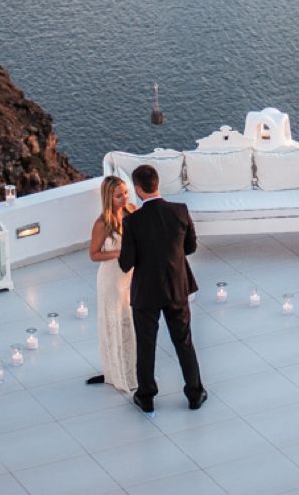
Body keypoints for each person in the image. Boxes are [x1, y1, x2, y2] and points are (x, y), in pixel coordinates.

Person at [119, 163, 207, 415]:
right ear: (157, 184)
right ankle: (194, 393)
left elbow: (126, 263)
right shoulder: (180, 211)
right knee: (184, 341)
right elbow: (190, 247)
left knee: (146, 344)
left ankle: (146, 396)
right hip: (176, 287)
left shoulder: (133, 222)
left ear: (138, 189)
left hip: (146, 292)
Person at [86, 175, 137, 393]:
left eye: (125, 193)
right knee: (115, 323)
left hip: (131, 276)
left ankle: (132, 369)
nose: (124, 198)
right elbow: (94, 255)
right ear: (109, 198)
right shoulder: (102, 224)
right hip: (111, 279)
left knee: (130, 324)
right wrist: (120, 252)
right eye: (119, 196)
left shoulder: (133, 210)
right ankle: (116, 373)